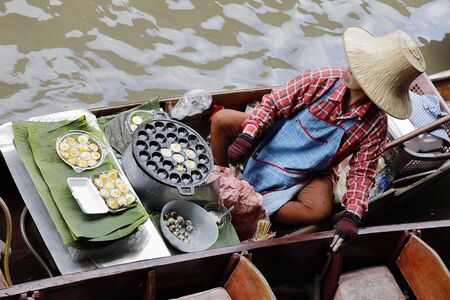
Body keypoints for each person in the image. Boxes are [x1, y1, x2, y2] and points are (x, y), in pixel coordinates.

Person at [210, 26, 426, 251]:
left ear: (375, 88)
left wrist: (353, 213)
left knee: (320, 210)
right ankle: (223, 177)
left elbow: (362, 172)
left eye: (361, 71)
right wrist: (248, 134)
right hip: (271, 138)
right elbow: (273, 104)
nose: (350, 68)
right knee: (222, 120)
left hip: (310, 170)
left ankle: (255, 206)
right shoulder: (323, 79)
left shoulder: (375, 124)